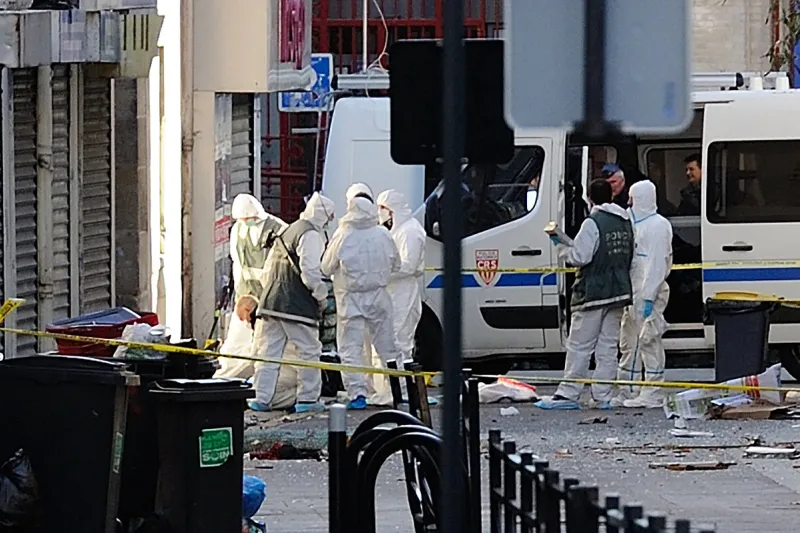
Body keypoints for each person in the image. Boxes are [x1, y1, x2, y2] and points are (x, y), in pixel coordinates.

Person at [535, 179, 634, 410]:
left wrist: (560, 243)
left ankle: (568, 394)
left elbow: (579, 257)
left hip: (593, 292)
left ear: (589, 198)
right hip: (619, 291)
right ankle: (603, 395)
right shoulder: (625, 221)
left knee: (580, 344)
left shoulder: (592, 222)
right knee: (608, 347)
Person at [249, 192, 336, 413]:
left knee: (268, 352)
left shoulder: (289, 229)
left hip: (270, 302)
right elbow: (310, 272)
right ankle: (308, 399)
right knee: (309, 351)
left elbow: (268, 270)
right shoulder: (310, 234)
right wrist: (321, 296)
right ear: (323, 215)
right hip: (296, 305)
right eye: (330, 217)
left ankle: (262, 397)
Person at [321, 195, 402, 410]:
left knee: (350, 349)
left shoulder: (343, 235)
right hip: (378, 296)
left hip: (350, 299)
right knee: (387, 346)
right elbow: (397, 263)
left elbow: (326, 267)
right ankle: (397, 389)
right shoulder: (383, 234)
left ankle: (357, 393)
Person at [612, 180, 673, 409]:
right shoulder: (635, 223)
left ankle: (654, 389)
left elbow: (657, 264)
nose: (628, 203)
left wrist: (649, 296)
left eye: (632, 198)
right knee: (629, 342)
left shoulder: (658, 226)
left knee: (648, 340)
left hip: (649, 292)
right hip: (632, 292)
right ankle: (629, 387)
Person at [216, 194, 287, 379]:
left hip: (268, 298)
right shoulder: (238, 230)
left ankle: (260, 380)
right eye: (242, 220)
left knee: (265, 343)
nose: (245, 222)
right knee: (236, 341)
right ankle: (225, 377)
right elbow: (237, 263)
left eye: (248, 219)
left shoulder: (277, 230)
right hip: (245, 295)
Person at [376, 189, 427, 397]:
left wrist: (382, 271)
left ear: (392, 210)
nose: (380, 212)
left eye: (383, 208)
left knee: (400, 340)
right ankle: (389, 389)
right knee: (390, 339)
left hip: (403, 293)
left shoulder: (410, 232)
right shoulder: (398, 230)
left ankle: (401, 391)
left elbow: (408, 265)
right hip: (393, 292)